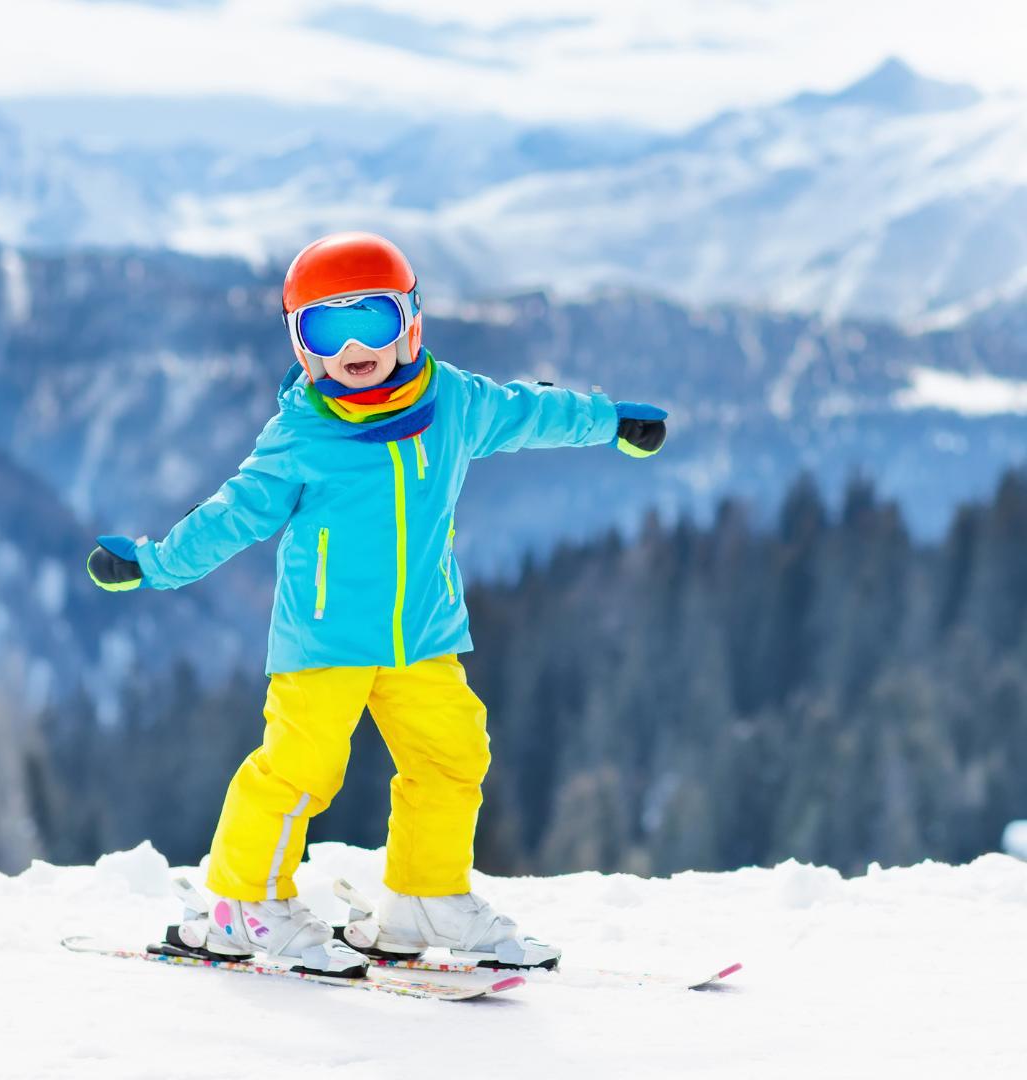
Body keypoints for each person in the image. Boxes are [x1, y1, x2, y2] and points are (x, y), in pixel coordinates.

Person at [87, 231, 668, 977]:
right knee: (298, 771)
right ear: (303, 347)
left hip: (423, 634)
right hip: (325, 639)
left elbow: (531, 412)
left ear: (410, 324)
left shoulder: (453, 402)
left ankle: (424, 897)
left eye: (373, 318)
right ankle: (242, 905)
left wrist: (610, 421)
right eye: (327, 328)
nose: (354, 345)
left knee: (453, 755)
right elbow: (231, 516)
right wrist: (153, 565)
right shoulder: (301, 435)